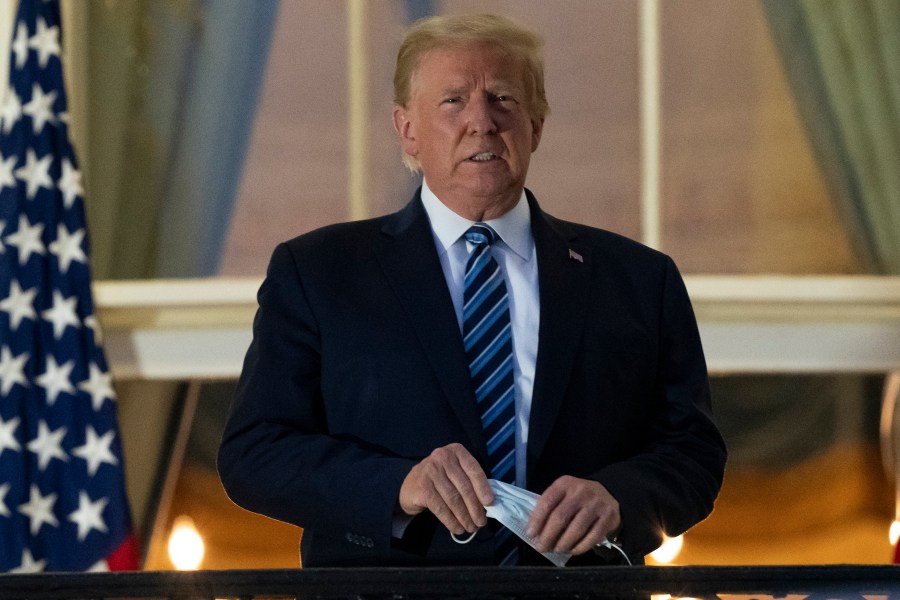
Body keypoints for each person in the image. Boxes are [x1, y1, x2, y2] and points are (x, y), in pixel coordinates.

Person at [217, 13, 726, 567]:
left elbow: (693, 452)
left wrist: (620, 500)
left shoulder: (638, 280)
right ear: (406, 128)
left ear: (536, 125)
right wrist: (398, 485)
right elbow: (255, 451)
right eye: (453, 101)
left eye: (503, 99)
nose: (482, 122)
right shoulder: (319, 272)